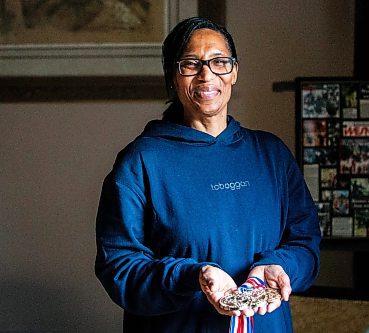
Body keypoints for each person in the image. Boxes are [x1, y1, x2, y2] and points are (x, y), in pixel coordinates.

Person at [95, 17, 321, 333]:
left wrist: (280, 268)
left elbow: (305, 242)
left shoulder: (272, 155)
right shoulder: (140, 163)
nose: (206, 75)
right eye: (191, 64)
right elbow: (119, 268)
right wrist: (194, 275)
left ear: (234, 71)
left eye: (219, 62)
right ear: (173, 78)